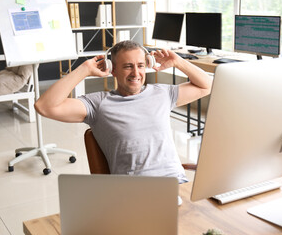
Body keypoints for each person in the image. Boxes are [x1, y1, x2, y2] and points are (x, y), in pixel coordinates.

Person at [35, 40, 212, 183]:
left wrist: (179, 62)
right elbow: (45, 106)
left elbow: (207, 86)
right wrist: (84, 70)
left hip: (175, 182)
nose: (136, 73)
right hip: (132, 191)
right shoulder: (98, 104)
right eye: (128, 66)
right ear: (112, 69)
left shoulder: (163, 93)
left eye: (141, 65)